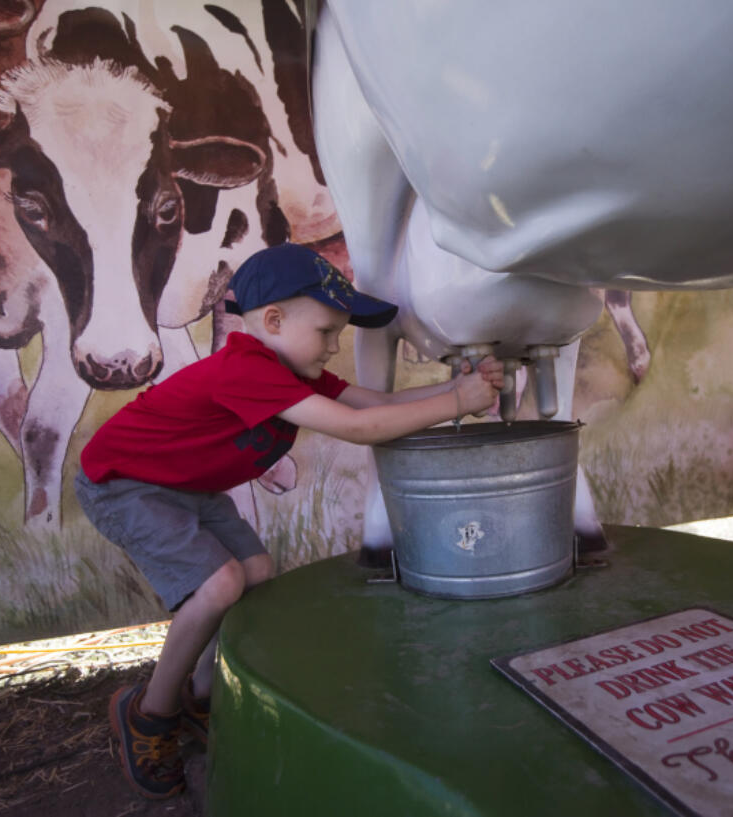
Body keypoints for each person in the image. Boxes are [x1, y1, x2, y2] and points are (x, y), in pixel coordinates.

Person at [74, 242, 503, 799]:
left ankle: (202, 697)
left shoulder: (292, 371)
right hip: (125, 483)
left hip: (185, 486)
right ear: (273, 320)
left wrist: (459, 387)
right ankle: (148, 713)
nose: (333, 346)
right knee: (219, 583)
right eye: (327, 331)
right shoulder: (246, 368)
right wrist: (455, 404)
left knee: (254, 572)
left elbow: (371, 404)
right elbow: (359, 430)